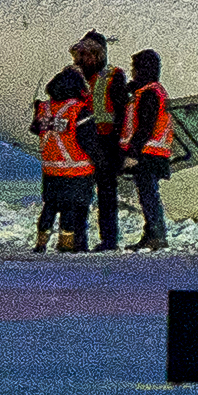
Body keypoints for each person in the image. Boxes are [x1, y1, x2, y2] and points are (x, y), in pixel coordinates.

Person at [65, 32, 129, 251]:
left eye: (89, 53)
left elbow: (121, 110)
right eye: (81, 54)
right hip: (83, 140)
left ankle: (108, 239)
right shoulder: (73, 76)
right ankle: (78, 239)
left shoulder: (113, 76)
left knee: (106, 194)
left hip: (106, 140)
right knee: (80, 193)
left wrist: (121, 146)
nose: (83, 58)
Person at [31, 69, 95, 252]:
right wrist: (102, 161)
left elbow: (37, 129)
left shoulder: (45, 108)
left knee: (49, 207)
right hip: (76, 169)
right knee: (70, 208)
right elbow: (87, 140)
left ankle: (41, 242)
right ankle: (66, 243)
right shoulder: (78, 110)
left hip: (51, 169)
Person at [120, 49, 174, 251]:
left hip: (148, 153)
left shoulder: (149, 93)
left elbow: (144, 126)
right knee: (148, 195)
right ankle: (152, 234)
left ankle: (156, 235)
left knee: (148, 195)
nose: (133, 72)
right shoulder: (151, 91)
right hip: (154, 151)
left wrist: (132, 153)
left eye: (135, 68)